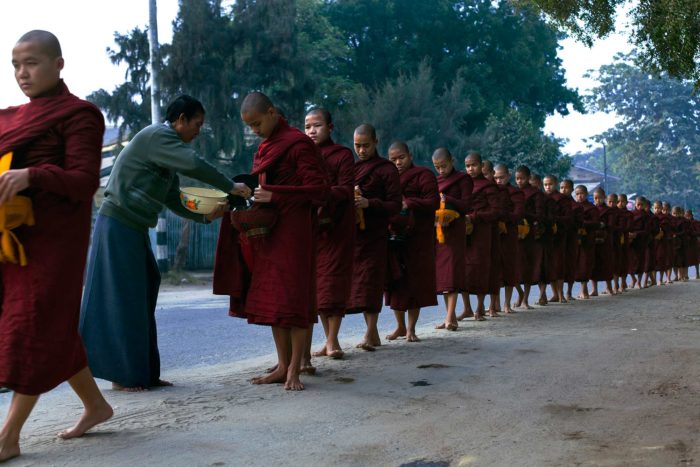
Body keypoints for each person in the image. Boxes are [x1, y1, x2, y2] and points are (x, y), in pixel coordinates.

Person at [80, 95, 250, 392]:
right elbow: (193, 164)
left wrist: (206, 217)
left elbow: (174, 198)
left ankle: (144, 372)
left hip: (133, 227)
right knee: (125, 299)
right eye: (197, 124)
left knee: (145, 291)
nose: (199, 131)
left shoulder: (167, 155)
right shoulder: (159, 136)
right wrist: (229, 185)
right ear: (181, 119)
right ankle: (123, 376)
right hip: (117, 224)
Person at [0, 30, 113, 462]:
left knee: (31, 324)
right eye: (14, 65)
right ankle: (96, 406)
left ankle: (8, 436)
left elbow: (85, 181)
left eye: (31, 63)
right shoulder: (9, 117)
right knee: (50, 327)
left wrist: (33, 175)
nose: (21, 73)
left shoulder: (80, 114)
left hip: (55, 239)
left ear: (58, 64)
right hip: (13, 238)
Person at [215, 92, 328, 391]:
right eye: (249, 126)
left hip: (295, 231)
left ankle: (295, 369)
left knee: (295, 299)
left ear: (272, 112)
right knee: (276, 301)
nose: (254, 131)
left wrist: (277, 194)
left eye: (256, 123)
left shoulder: (298, 143)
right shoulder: (267, 147)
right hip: (269, 232)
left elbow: (319, 189)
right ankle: (281, 364)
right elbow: (261, 187)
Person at [303, 108, 355, 362]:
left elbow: (345, 189)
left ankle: (333, 341)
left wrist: (321, 194)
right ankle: (328, 340)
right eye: (308, 126)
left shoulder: (342, 154)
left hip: (337, 227)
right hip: (313, 228)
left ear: (330, 127)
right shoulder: (302, 154)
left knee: (333, 284)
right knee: (319, 288)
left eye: (317, 125)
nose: (312, 131)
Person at [347, 124, 402, 350]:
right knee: (360, 285)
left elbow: (395, 205)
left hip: (377, 233)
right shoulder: (353, 168)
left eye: (366, 145)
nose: (361, 150)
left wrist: (370, 203)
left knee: (372, 283)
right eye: (357, 146)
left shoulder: (387, 169)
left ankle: (370, 332)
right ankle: (373, 333)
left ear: (376, 142)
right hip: (356, 235)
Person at [385, 142, 439, 342]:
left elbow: (433, 202)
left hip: (418, 237)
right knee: (396, 283)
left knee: (414, 283)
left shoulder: (423, 175)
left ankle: (411, 329)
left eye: (401, 158)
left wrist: (409, 202)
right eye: (393, 159)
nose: (398, 162)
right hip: (394, 235)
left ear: (410, 155)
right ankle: (399, 326)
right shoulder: (389, 177)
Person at [432, 148, 472, 330]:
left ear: (452, 160)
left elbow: (466, 205)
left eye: (444, 166)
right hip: (440, 232)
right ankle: (450, 316)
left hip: (455, 232)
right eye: (437, 167)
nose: (441, 171)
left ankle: (450, 317)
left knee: (452, 272)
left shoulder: (463, 179)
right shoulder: (436, 181)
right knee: (444, 276)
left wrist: (448, 199)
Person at [462, 152, 502, 321]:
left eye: (474, 165)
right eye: (468, 166)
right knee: (462, 268)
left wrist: (474, 216)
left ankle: (480, 307)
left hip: (482, 233)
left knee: (481, 268)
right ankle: (467, 308)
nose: (471, 169)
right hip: (463, 231)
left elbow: (495, 211)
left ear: (481, 166)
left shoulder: (489, 187)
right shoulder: (462, 183)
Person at [494, 164, 525, 314]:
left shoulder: (515, 193)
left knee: (509, 268)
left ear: (508, 175)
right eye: (496, 178)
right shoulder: (491, 191)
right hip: (494, 234)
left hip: (509, 234)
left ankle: (507, 304)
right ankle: (496, 304)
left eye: (502, 177)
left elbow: (518, 214)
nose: (499, 181)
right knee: (495, 269)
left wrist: (502, 217)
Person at [515, 166, 544, 309]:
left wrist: (524, 214)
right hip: (514, 233)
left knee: (527, 266)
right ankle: (519, 294)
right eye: (517, 178)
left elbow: (539, 215)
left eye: (522, 178)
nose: (519, 181)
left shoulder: (535, 194)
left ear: (528, 178)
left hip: (530, 234)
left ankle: (525, 299)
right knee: (514, 265)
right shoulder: (514, 192)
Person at [543, 175, 570, 303]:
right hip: (546, 236)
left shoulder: (562, 199)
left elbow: (568, 218)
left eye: (550, 184)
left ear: (556, 184)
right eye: (545, 185)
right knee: (549, 265)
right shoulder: (542, 199)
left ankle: (561, 294)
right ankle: (554, 293)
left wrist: (554, 220)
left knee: (558, 264)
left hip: (559, 235)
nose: (548, 187)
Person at [574, 185, 600, 299]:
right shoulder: (574, 207)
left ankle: (584, 290)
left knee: (585, 264)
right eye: (577, 194)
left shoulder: (591, 208)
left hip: (588, 239)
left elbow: (596, 223)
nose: (579, 196)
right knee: (577, 264)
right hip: (576, 239)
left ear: (587, 194)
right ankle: (578, 290)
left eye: (582, 194)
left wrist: (582, 223)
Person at [591, 187, 616, 296]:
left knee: (606, 264)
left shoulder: (609, 211)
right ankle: (594, 289)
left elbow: (611, 225)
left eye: (600, 198)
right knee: (593, 264)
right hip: (593, 239)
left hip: (606, 239)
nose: (597, 200)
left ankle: (609, 288)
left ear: (604, 198)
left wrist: (602, 225)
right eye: (595, 198)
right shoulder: (591, 209)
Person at [628, 197, 650, 289]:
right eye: (638, 204)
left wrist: (636, 234)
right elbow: (628, 226)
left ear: (645, 205)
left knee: (641, 262)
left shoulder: (646, 216)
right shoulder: (631, 214)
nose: (639, 206)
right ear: (635, 204)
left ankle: (639, 282)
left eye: (642, 205)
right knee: (630, 262)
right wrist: (629, 234)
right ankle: (633, 279)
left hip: (641, 241)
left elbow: (647, 230)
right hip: (632, 241)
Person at [616, 194, 633, 291]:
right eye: (618, 201)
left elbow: (629, 227)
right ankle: (615, 284)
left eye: (622, 201)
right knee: (615, 261)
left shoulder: (629, 214)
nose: (620, 204)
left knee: (624, 261)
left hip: (625, 240)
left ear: (626, 202)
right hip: (615, 239)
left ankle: (623, 282)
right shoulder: (613, 212)